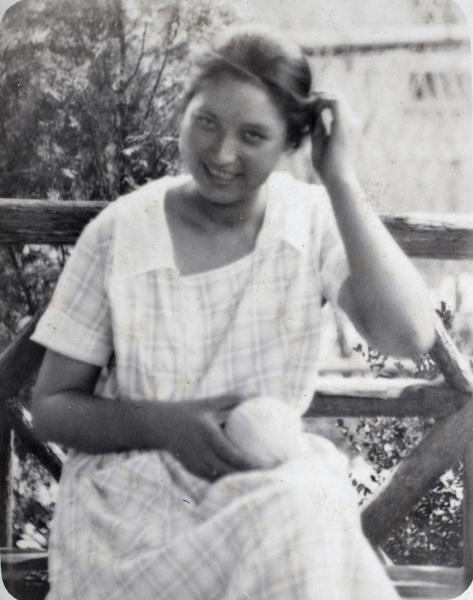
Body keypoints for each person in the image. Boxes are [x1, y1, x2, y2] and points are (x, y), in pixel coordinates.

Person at [31, 25, 435, 600]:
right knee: (303, 517)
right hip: (133, 510)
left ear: (291, 143)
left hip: (263, 481)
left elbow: (412, 334)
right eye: (207, 123)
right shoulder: (122, 233)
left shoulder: (309, 220)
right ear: (184, 110)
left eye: (253, 135)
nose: (222, 153)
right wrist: (162, 424)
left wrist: (341, 179)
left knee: (306, 504)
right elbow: (50, 407)